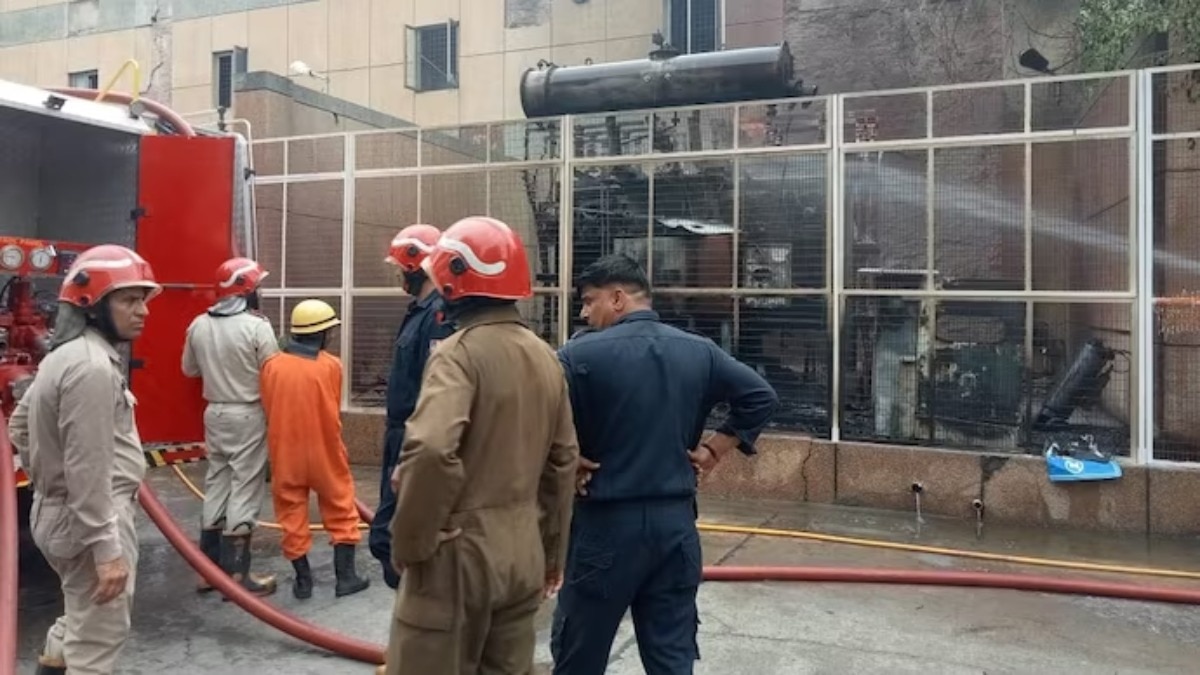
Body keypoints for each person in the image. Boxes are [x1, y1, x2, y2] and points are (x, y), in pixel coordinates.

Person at [550, 254, 779, 675]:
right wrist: (714, 450)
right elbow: (760, 396)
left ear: (617, 298)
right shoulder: (700, 351)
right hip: (675, 530)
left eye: (589, 301)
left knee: (579, 655)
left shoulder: (578, 355)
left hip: (605, 528)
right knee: (672, 657)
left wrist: (567, 457)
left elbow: (534, 413)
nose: (584, 313)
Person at [382, 216, 579, 675]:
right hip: (522, 554)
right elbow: (563, 461)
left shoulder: (458, 353)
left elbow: (432, 449)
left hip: (456, 560)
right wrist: (551, 555)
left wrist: (412, 540)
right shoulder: (545, 356)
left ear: (453, 277)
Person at [9, 245, 162, 675]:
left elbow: (19, 427)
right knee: (98, 639)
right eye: (128, 300)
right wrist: (107, 550)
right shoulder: (92, 368)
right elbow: (88, 470)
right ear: (91, 304)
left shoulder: (62, 356)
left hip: (62, 515)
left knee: (81, 613)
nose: (143, 311)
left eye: (143, 300)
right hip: (92, 520)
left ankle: (54, 661)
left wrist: (49, 478)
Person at [259, 299, 370, 599]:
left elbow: (269, 405)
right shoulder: (332, 366)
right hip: (325, 452)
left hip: (286, 454)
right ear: (320, 334)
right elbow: (331, 402)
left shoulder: (271, 366)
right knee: (341, 509)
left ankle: (303, 582)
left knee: (291, 514)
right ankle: (345, 578)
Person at [182, 256, 279, 597]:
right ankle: (237, 576)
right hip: (247, 413)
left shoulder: (198, 325)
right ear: (246, 290)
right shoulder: (257, 327)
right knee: (245, 486)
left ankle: (208, 573)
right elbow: (273, 372)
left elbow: (189, 370)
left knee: (217, 483)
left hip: (215, 413)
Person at [368, 224, 455, 590]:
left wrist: (414, 453)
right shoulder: (421, 312)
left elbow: (437, 389)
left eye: (401, 269)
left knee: (390, 537)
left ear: (416, 266)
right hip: (401, 434)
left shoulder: (438, 317)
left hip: (414, 436)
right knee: (388, 535)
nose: (398, 277)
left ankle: (420, 600)